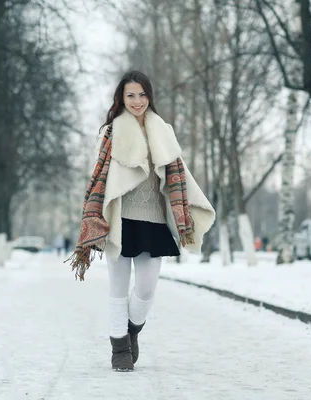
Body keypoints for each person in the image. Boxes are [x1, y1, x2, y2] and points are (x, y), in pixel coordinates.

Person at [68, 70, 215, 372]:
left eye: (142, 94)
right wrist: (94, 215)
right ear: (121, 98)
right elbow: (98, 177)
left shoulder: (163, 131)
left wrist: (191, 207)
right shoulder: (111, 132)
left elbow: (179, 175)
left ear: (150, 96)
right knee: (118, 288)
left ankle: (131, 331)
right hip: (120, 221)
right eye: (130, 95)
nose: (137, 101)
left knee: (147, 288)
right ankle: (119, 347)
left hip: (154, 221)